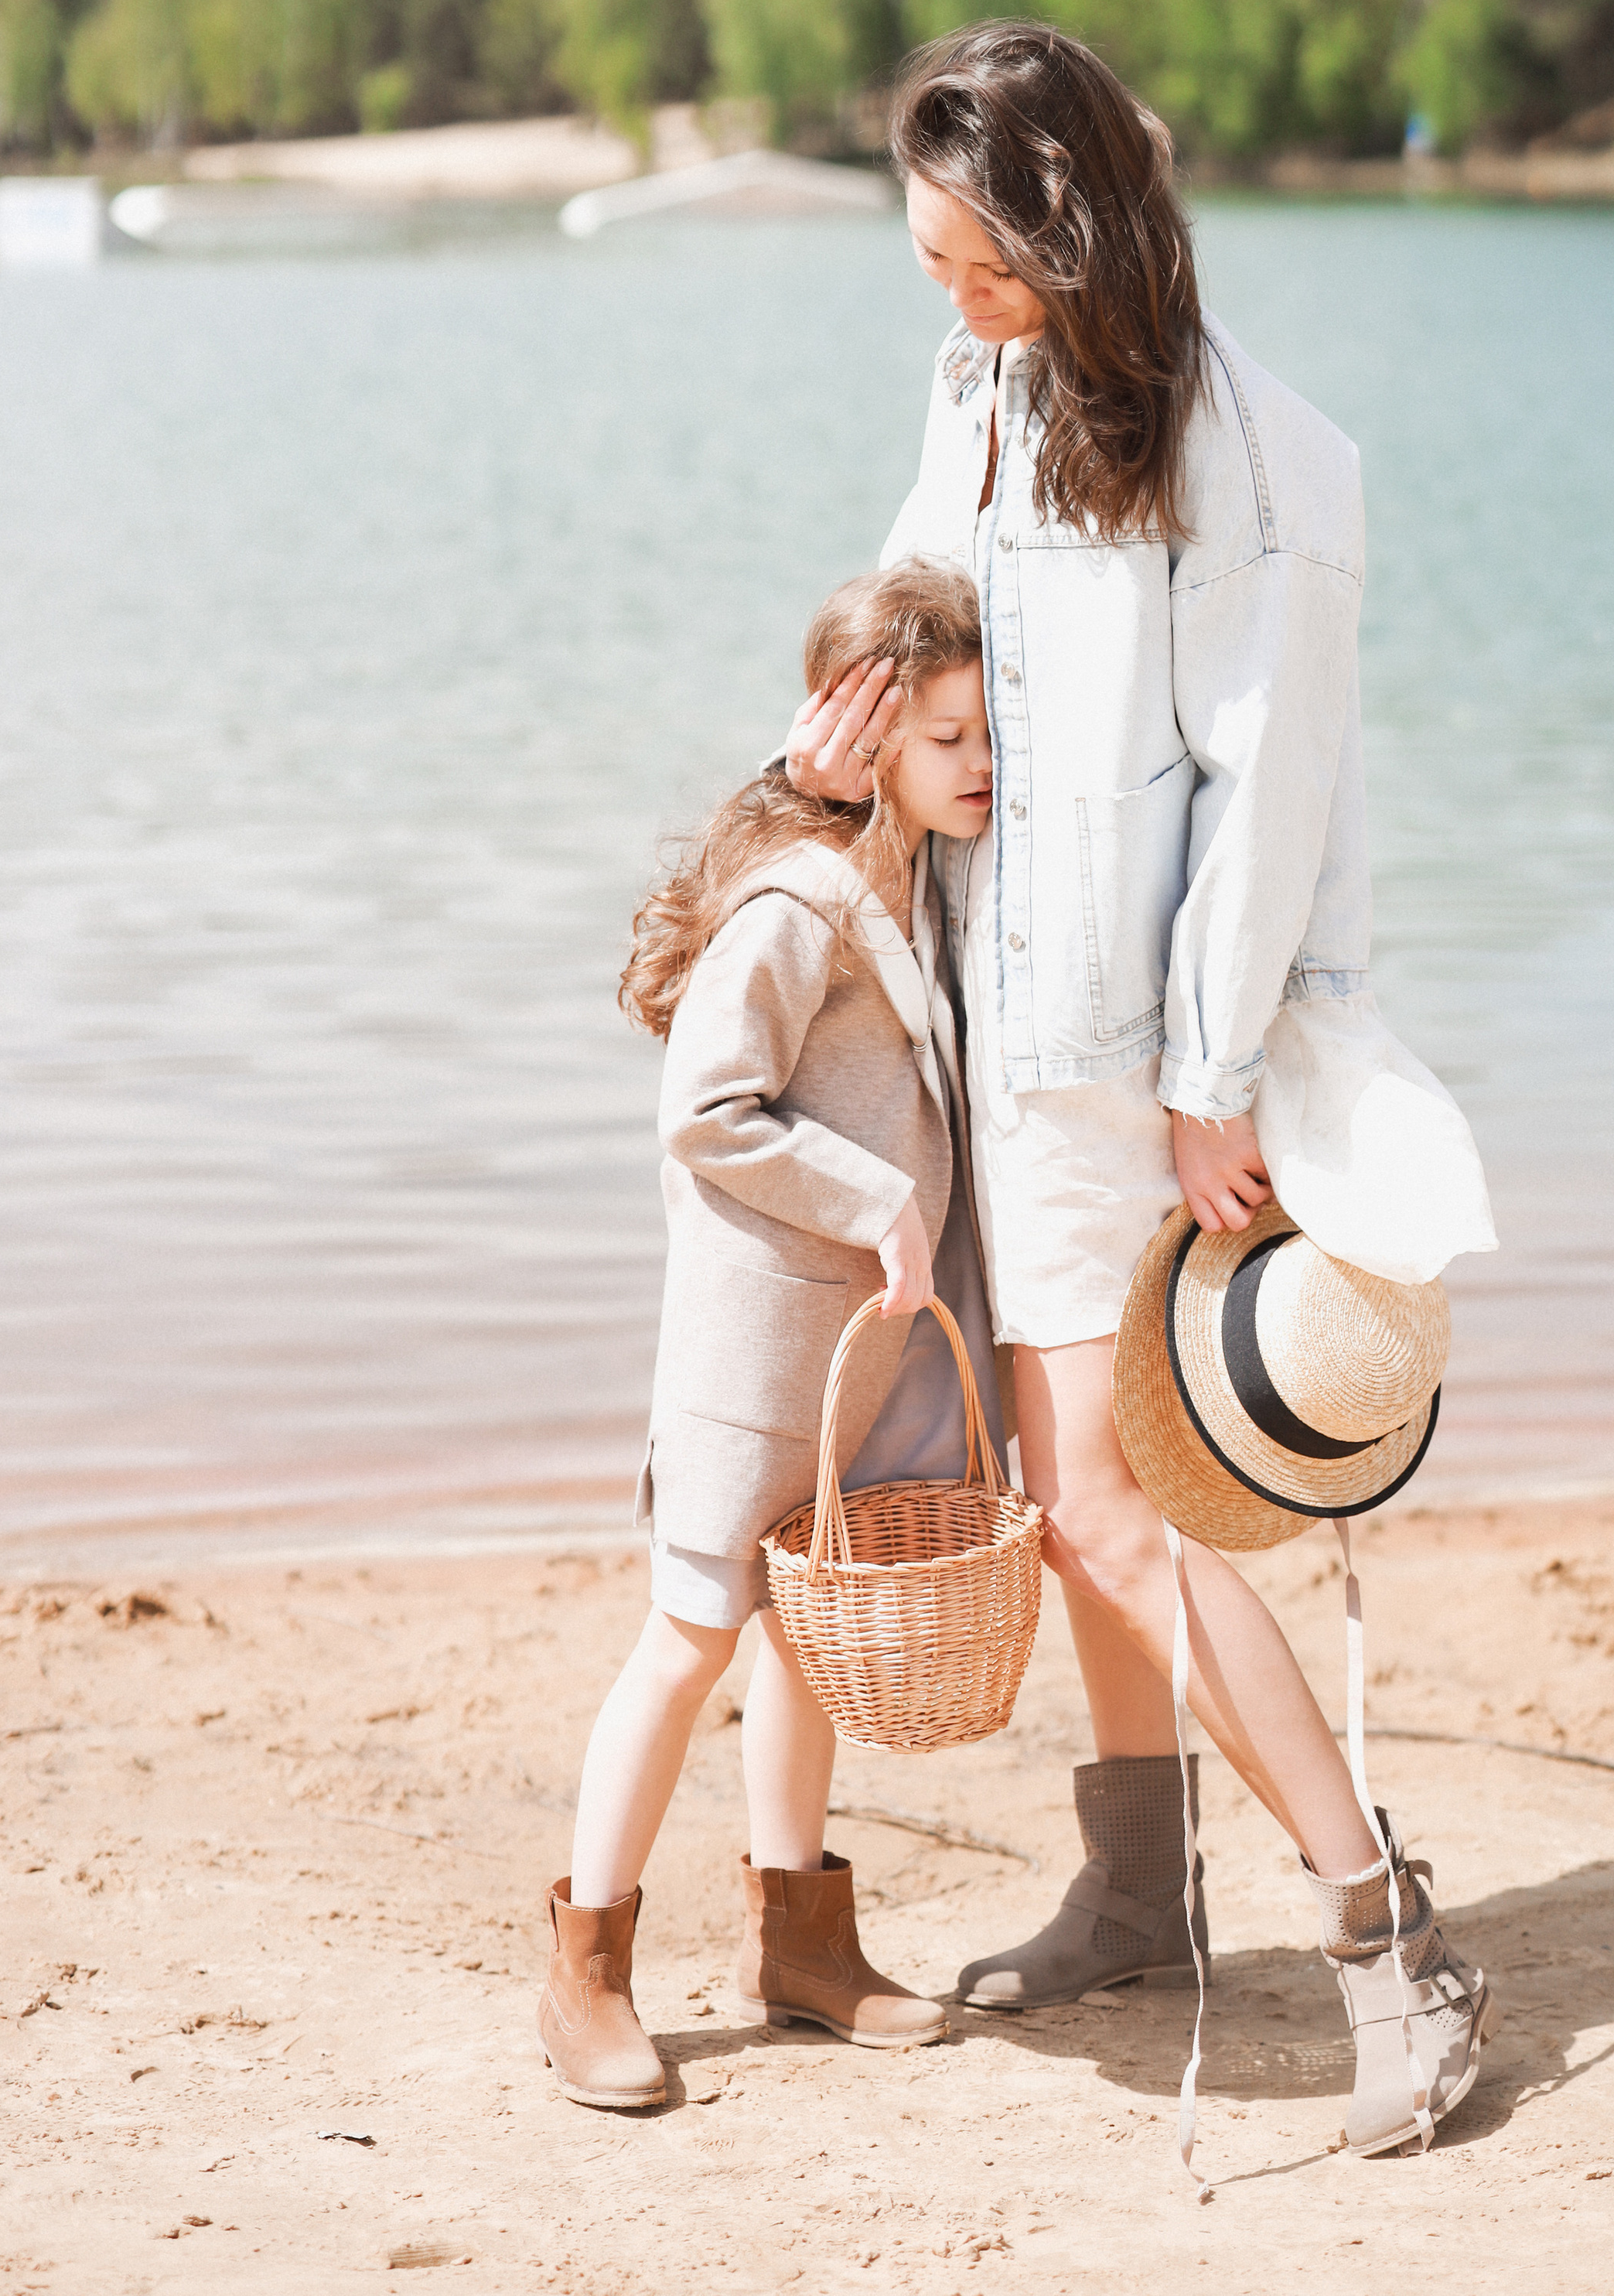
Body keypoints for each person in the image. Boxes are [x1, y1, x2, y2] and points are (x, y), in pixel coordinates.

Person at [786, 22, 1500, 2154]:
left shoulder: (1262, 457)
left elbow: (1267, 798)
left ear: (1071, 220)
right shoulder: (979, 387)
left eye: (974, 258)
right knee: (1064, 1496)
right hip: (990, 1030)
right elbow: (930, 615)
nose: (948, 296)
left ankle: (1389, 1940)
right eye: (924, 259)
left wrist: (1209, 1081)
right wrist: (839, 732)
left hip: (1143, 1063)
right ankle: (1135, 1878)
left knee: (1112, 1510)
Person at [538, 561, 1003, 2111]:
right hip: (753, 1369)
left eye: (986, 730)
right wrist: (872, 1196)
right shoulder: (799, 907)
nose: (980, 763)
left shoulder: (906, 872)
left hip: (854, 1367)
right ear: (871, 748)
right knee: (685, 1644)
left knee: (808, 1634)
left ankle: (801, 1944)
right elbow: (706, 1110)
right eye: (945, 738)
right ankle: (584, 1969)